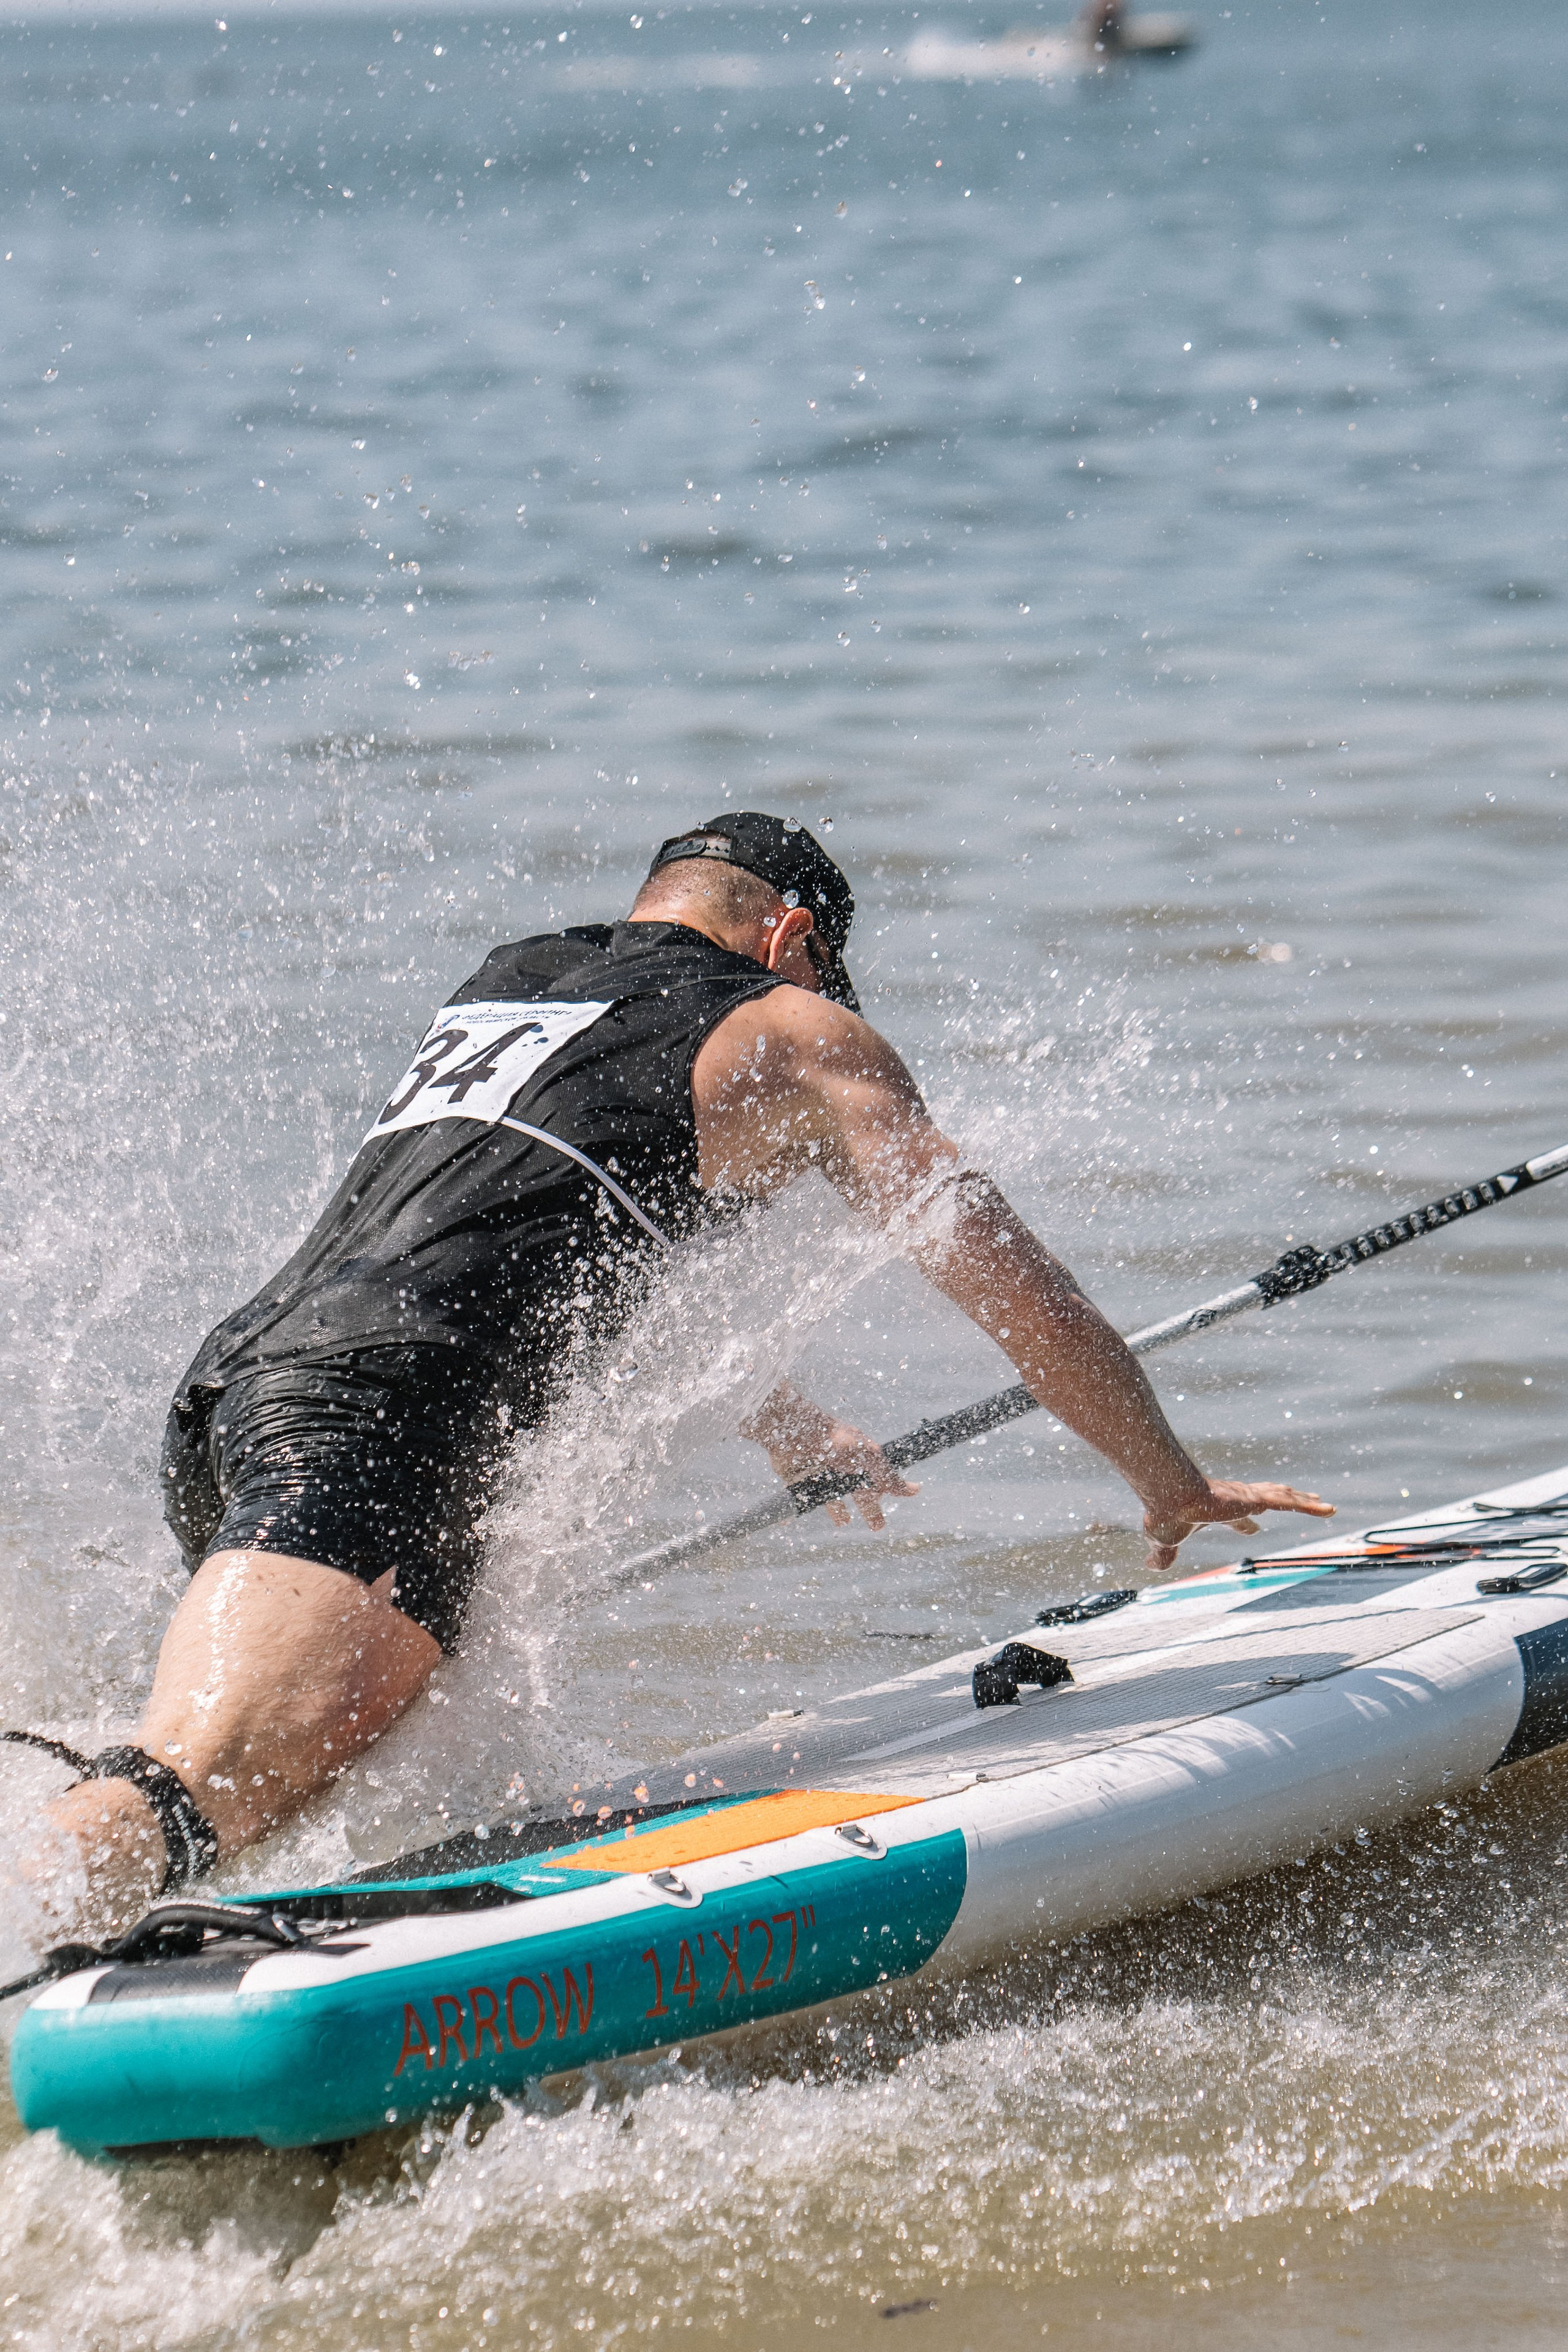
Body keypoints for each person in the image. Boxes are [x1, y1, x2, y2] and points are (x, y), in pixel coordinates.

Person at [20, 813, 1332, 1931]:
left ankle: (106, 1963)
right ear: (795, 937)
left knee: (261, 1795)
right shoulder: (800, 1031)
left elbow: (538, 1230)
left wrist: (776, 1414)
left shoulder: (517, 979)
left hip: (256, 1391)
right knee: (192, 1781)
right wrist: (1164, 1478)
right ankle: (32, 1913)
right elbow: (1015, 1289)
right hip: (383, 1416)